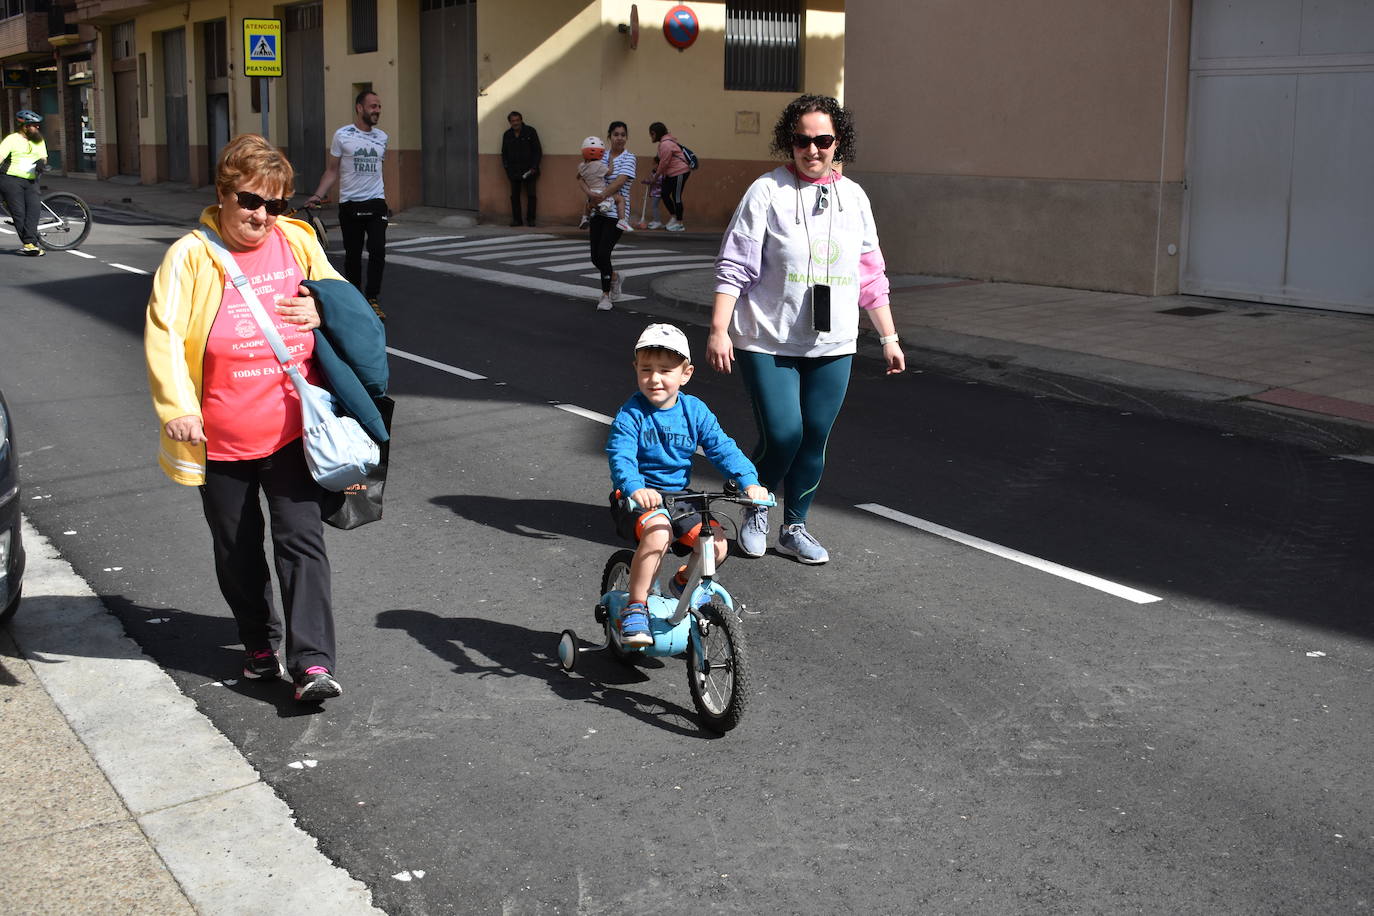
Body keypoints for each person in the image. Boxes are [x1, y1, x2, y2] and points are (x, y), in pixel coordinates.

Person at [146, 134, 350, 703]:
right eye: (251, 201)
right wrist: (179, 409)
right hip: (221, 435)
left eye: (276, 203)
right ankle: (259, 643)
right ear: (224, 194)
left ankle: (312, 663)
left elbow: (343, 303)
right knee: (237, 551)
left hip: (292, 428)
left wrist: (321, 307)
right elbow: (164, 336)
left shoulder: (299, 239)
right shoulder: (191, 255)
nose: (263, 215)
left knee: (302, 543)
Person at [708, 94, 905, 565]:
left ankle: (793, 527)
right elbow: (734, 265)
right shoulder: (766, 192)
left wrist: (889, 337)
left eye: (823, 140)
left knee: (815, 435)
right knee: (784, 434)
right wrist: (719, 328)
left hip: (834, 341)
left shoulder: (854, 197)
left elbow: (870, 272)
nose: (812, 149)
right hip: (766, 338)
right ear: (789, 142)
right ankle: (756, 503)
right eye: (802, 140)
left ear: (839, 142)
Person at [606, 324, 769, 646]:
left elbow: (722, 448)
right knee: (658, 534)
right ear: (636, 370)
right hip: (637, 497)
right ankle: (635, 607)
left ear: (686, 374)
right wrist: (635, 486)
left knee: (717, 545)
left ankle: (682, 582)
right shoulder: (632, 413)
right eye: (646, 370)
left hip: (680, 497)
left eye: (665, 371)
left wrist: (750, 482)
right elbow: (620, 454)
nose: (654, 378)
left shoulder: (694, 411)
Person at [310, 90, 388, 320]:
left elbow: (378, 171)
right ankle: (354, 298)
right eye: (373, 106)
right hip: (350, 203)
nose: (377, 110)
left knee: (377, 250)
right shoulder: (342, 135)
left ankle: (372, 297)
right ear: (360, 108)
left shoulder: (382, 137)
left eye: (379, 106)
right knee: (352, 255)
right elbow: (332, 170)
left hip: (376, 202)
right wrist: (317, 195)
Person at [587, 121, 635, 311]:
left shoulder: (630, 158)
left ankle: (606, 296)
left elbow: (620, 182)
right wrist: (592, 198)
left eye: (623, 134)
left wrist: (600, 195)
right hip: (597, 210)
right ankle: (615, 276)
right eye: (616, 134)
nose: (620, 138)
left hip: (617, 213)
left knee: (603, 253)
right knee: (594, 257)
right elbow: (591, 177)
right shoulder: (601, 156)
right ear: (609, 136)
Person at [0, 110, 49, 256]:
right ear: (25, 126)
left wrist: (42, 163)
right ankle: (29, 244)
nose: (37, 128)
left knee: (34, 210)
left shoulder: (38, 140)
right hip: (10, 180)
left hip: (31, 180)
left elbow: (44, 157)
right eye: (34, 125)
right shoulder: (12, 139)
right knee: (19, 213)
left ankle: (30, 242)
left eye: (38, 125)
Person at [500, 110, 542, 227]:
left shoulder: (530, 131)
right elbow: (504, 153)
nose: (515, 123)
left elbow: (537, 151)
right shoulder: (507, 135)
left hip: (529, 170)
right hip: (514, 171)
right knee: (514, 197)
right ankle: (517, 220)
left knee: (531, 195)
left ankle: (531, 219)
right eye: (513, 121)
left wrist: (534, 166)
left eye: (517, 120)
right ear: (510, 122)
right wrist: (507, 168)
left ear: (521, 120)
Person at [649, 122, 690, 232]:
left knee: (676, 197)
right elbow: (663, 162)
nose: (651, 137)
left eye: (651, 134)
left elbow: (664, 163)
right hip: (671, 173)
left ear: (655, 133)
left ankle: (680, 224)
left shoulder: (665, 144)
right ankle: (674, 217)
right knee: (664, 193)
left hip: (680, 172)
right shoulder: (664, 143)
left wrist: (655, 177)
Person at [575, 135, 617, 228]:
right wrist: (611, 161)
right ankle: (603, 207)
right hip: (600, 191)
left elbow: (578, 177)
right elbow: (610, 172)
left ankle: (584, 218)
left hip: (590, 191)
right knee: (613, 200)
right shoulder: (599, 165)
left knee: (588, 204)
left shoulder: (581, 166)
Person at [639, 164, 664, 229]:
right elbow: (651, 180)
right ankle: (656, 220)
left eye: (656, 165)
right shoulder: (654, 173)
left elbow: (656, 181)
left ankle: (657, 221)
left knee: (654, 206)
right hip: (653, 193)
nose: (654, 166)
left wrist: (648, 181)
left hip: (658, 193)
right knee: (654, 206)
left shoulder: (661, 174)